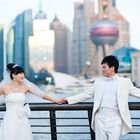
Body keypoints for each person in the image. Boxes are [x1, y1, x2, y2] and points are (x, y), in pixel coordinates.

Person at [60, 55, 140, 140]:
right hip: (100, 118)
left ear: (112, 68)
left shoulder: (125, 82)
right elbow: (86, 94)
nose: (102, 69)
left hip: (116, 119)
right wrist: (68, 99)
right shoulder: (98, 82)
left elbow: (137, 92)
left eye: (104, 67)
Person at [0, 63, 63, 140]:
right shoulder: (4, 88)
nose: (23, 75)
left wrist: (56, 100)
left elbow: (41, 94)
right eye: (20, 73)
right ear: (13, 75)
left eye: (23, 73)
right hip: (10, 117)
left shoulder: (26, 87)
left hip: (22, 118)